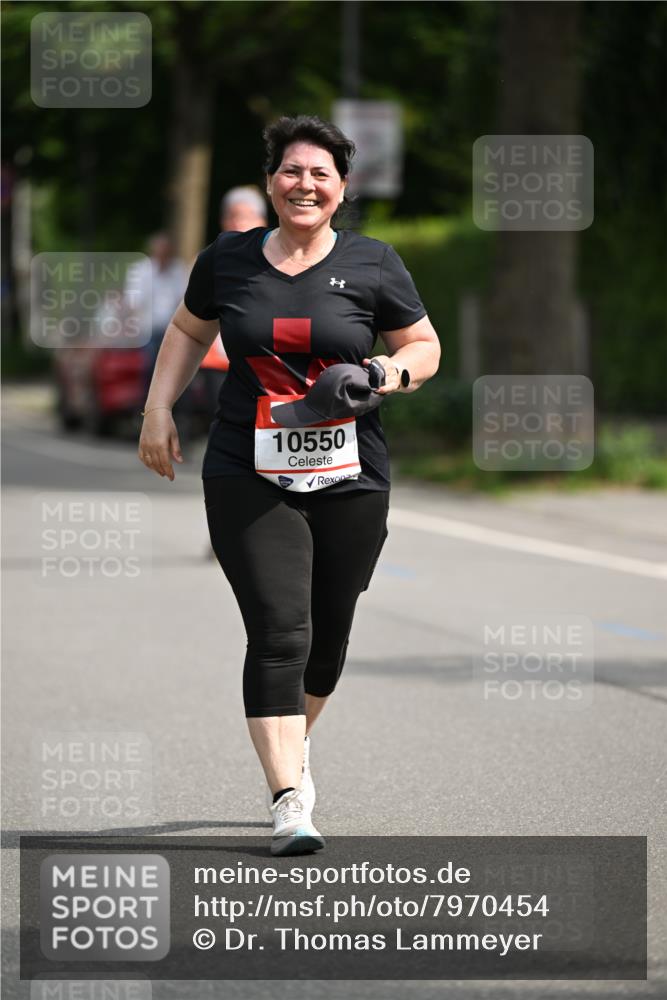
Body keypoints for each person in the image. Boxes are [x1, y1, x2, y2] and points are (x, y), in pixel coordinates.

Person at [137, 115, 440, 857]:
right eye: (291, 171)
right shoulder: (228, 260)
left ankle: (288, 754)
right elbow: (186, 331)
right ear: (272, 179)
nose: (304, 184)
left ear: (340, 189)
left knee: (326, 639)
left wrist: (387, 372)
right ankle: (287, 799)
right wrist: (156, 408)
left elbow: (423, 344)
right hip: (248, 464)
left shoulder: (373, 263)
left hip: (350, 472)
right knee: (280, 629)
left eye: (320, 174)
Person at [199, 187, 269, 415]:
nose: (239, 223)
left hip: (263, 365)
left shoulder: (279, 262)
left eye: (246, 216)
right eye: (233, 216)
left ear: (262, 220)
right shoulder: (211, 261)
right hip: (217, 362)